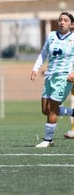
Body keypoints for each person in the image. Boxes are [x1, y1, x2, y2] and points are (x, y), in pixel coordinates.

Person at [31, 12, 74, 147]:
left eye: (65, 20)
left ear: (72, 24)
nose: (62, 22)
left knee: (53, 109)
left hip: (64, 77)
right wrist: (35, 68)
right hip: (50, 76)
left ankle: (48, 140)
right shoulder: (51, 36)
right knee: (45, 110)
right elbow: (43, 53)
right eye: (60, 20)